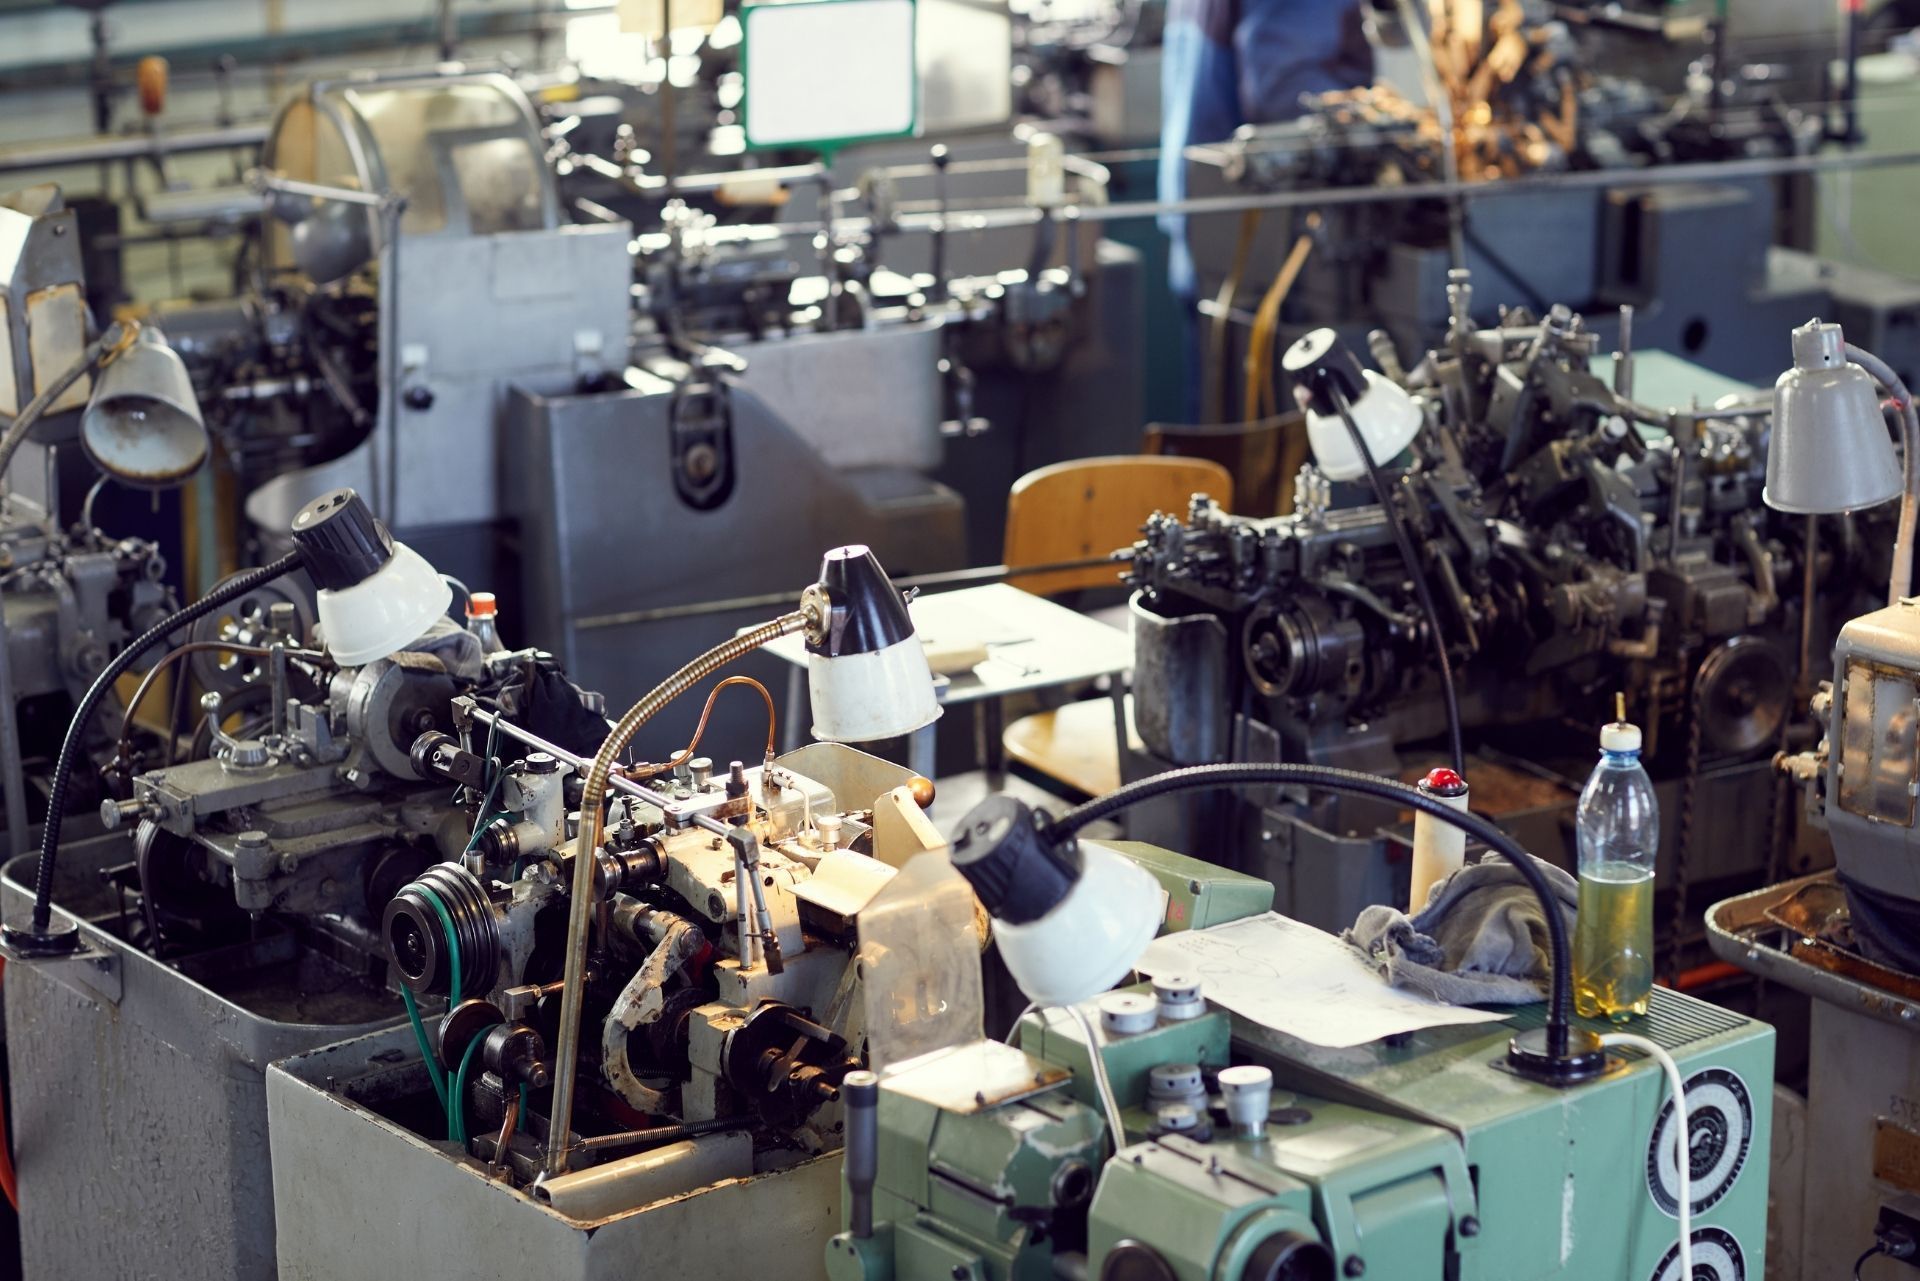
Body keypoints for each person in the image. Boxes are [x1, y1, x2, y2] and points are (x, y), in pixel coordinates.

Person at [1159, 0, 1372, 420]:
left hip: (1200, 217)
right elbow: (1289, 96)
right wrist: (1370, 115)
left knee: (1216, 414)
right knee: (1260, 427)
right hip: (1259, 248)